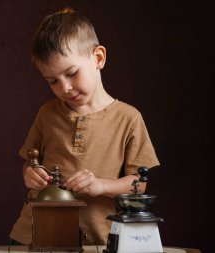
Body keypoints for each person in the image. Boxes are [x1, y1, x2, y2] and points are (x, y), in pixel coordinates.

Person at [9, 7, 160, 245]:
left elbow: (139, 184)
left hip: (97, 239)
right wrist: (30, 174)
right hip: (36, 234)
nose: (64, 88)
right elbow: (31, 160)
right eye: (53, 81)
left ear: (98, 58)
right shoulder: (46, 114)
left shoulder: (129, 118)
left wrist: (101, 185)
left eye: (71, 73)